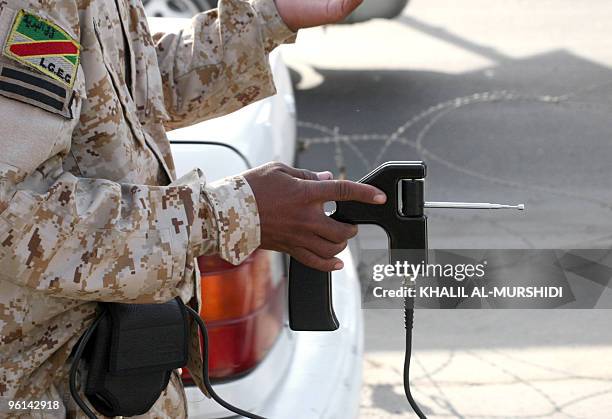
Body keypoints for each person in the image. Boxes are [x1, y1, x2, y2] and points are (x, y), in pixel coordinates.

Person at [0, 0, 386, 417]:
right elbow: (11, 216)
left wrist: (271, 17)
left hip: (97, 378)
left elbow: (123, 94)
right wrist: (229, 212)